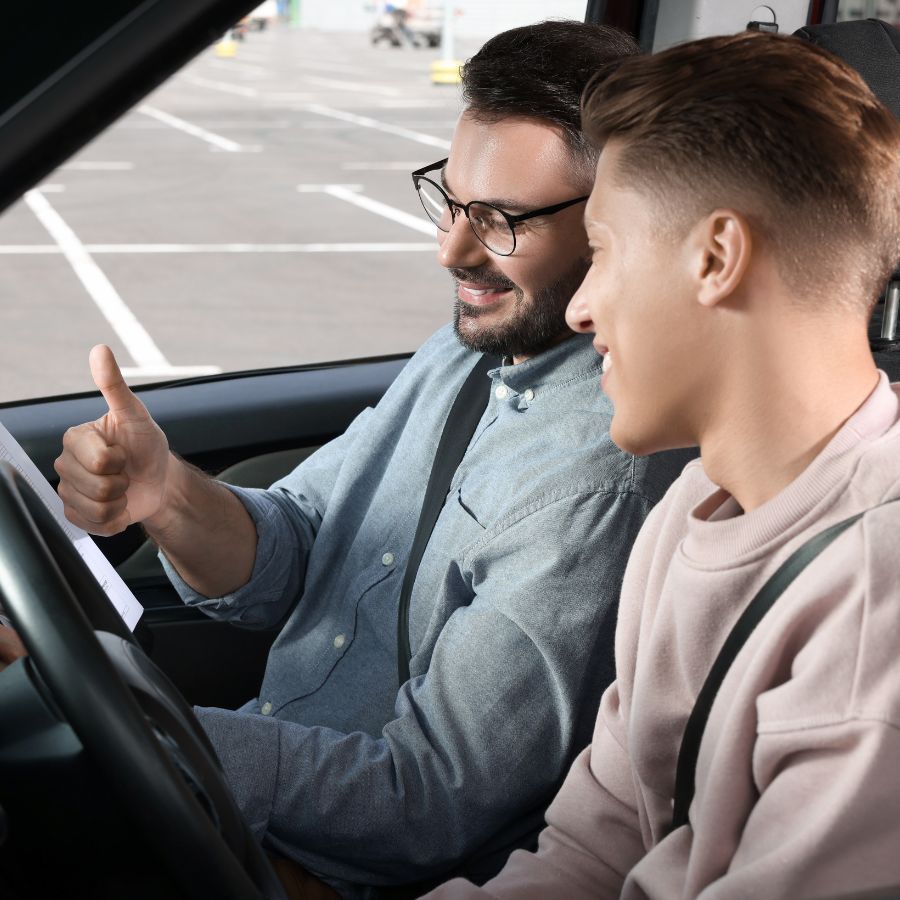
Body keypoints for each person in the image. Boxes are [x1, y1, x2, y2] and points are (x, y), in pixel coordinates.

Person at [47, 21, 693, 897]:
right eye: (452, 200)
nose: (452, 249)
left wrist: (146, 730)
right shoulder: (464, 353)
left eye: (501, 221)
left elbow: (426, 802)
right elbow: (298, 545)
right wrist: (164, 493)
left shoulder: (596, 480)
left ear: (616, 221)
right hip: (251, 812)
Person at [420, 27, 900, 900]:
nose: (582, 309)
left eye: (603, 251)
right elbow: (596, 848)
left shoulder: (875, 618)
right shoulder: (692, 505)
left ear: (716, 257)